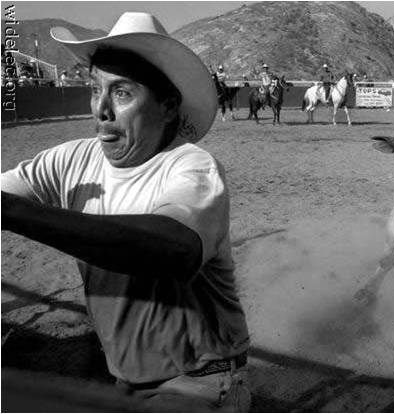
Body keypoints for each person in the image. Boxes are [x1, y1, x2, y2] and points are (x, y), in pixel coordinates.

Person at [1, 12, 250, 412]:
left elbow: (174, 249)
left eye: (121, 93)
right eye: (94, 89)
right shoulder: (69, 160)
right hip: (125, 382)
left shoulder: (191, 167)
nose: (101, 109)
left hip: (196, 383)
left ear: (168, 106)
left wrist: (12, 213)